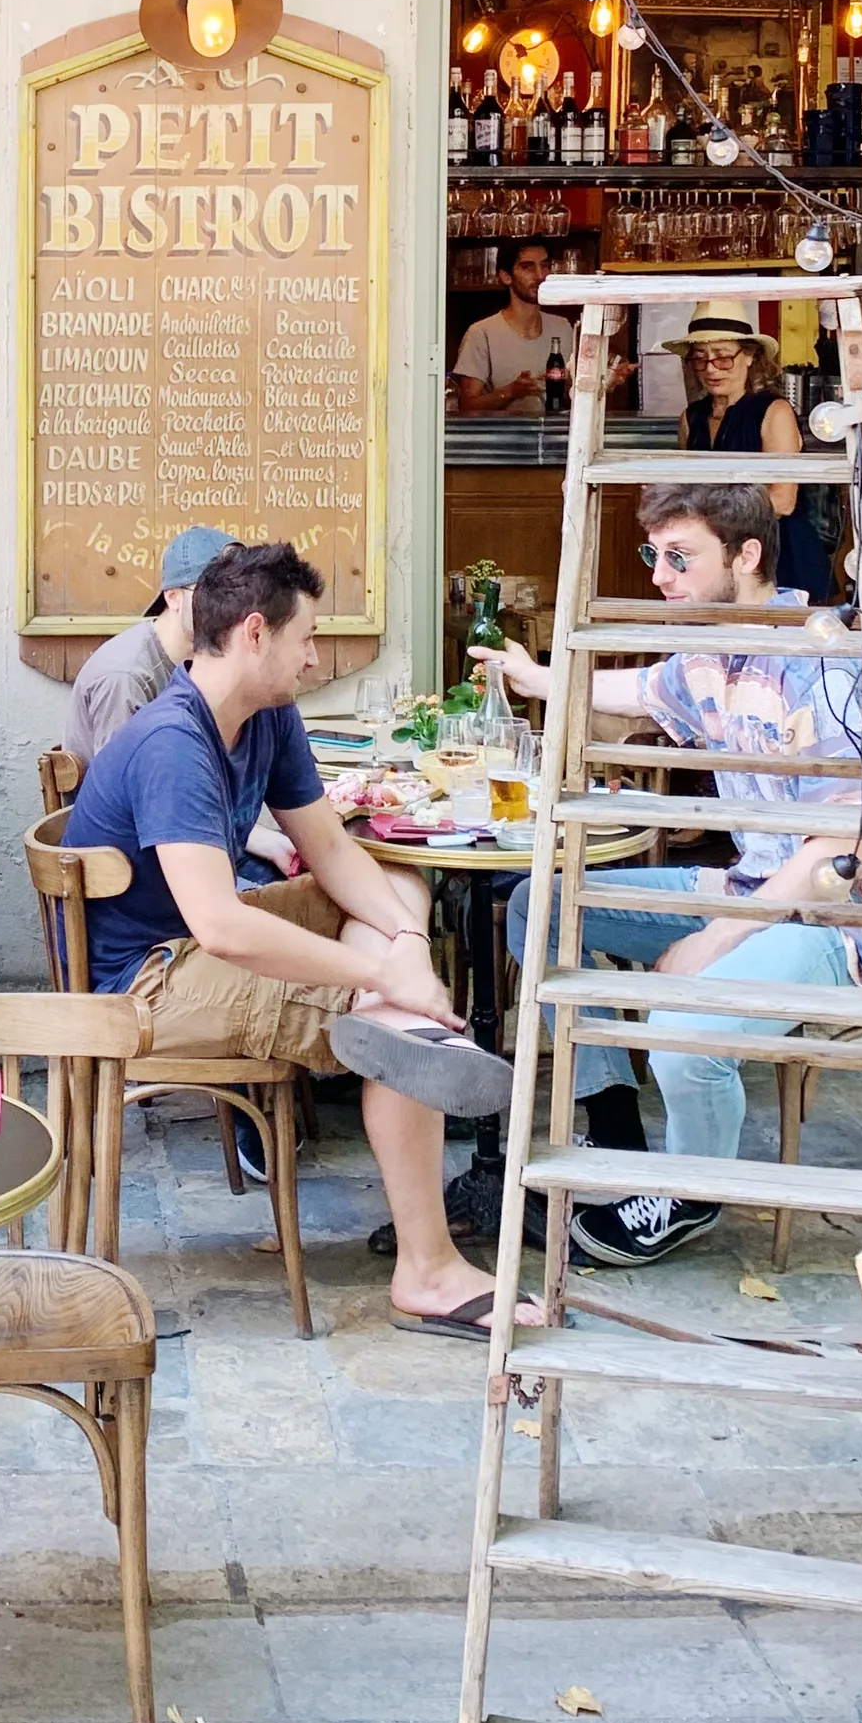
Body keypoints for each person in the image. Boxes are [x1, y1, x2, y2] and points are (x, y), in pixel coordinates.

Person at [62, 542, 537, 1342]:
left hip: (208, 948)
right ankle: (427, 1270)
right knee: (388, 1021)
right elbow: (219, 923)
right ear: (255, 633)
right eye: (307, 638)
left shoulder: (266, 715)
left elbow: (334, 850)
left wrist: (405, 945)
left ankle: (409, 1002)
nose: (317, 658)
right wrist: (375, 973)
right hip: (151, 982)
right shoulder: (173, 742)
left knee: (402, 889)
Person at [487, 477, 862, 1268]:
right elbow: (619, 694)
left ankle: (690, 1193)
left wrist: (712, 945)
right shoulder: (708, 653)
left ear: (749, 555)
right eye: (652, 554)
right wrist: (534, 675)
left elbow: (839, 854)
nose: (659, 576)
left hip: (841, 922)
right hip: (750, 886)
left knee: (682, 1029)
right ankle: (617, 1130)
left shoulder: (820, 661)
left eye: (680, 557)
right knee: (539, 905)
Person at [674, 303, 831, 602]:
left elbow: (783, 500)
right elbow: (688, 489)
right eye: (700, 359)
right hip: (717, 561)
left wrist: (707, 518)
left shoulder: (774, 411)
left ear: (749, 356)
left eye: (722, 357)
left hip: (782, 558)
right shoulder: (691, 417)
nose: (710, 368)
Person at [62, 526, 235, 765]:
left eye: (237, 594)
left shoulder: (207, 659)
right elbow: (121, 787)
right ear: (173, 597)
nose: (232, 607)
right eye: (214, 593)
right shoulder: (126, 676)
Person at [451, 238, 576, 419]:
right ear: (506, 276)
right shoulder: (481, 333)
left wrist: (602, 383)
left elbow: (578, 397)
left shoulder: (563, 328)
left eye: (545, 266)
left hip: (555, 441)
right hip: (504, 443)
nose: (540, 275)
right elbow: (467, 406)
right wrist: (510, 392)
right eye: (528, 267)